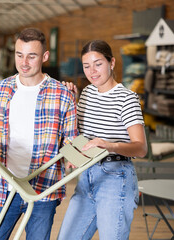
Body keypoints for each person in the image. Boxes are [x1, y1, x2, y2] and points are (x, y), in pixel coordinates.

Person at [0, 28, 78, 239]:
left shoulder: (63, 95)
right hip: (4, 186)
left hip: (43, 190)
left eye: (32, 56)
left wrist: (73, 158)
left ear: (45, 56)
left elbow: (70, 141)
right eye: (19, 55)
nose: (24, 62)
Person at [57, 40, 147, 240]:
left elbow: (141, 148)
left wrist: (109, 145)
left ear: (112, 63)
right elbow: (78, 135)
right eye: (86, 66)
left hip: (116, 179)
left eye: (98, 64)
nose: (92, 71)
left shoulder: (127, 98)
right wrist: (71, 101)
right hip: (87, 176)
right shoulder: (87, 93)